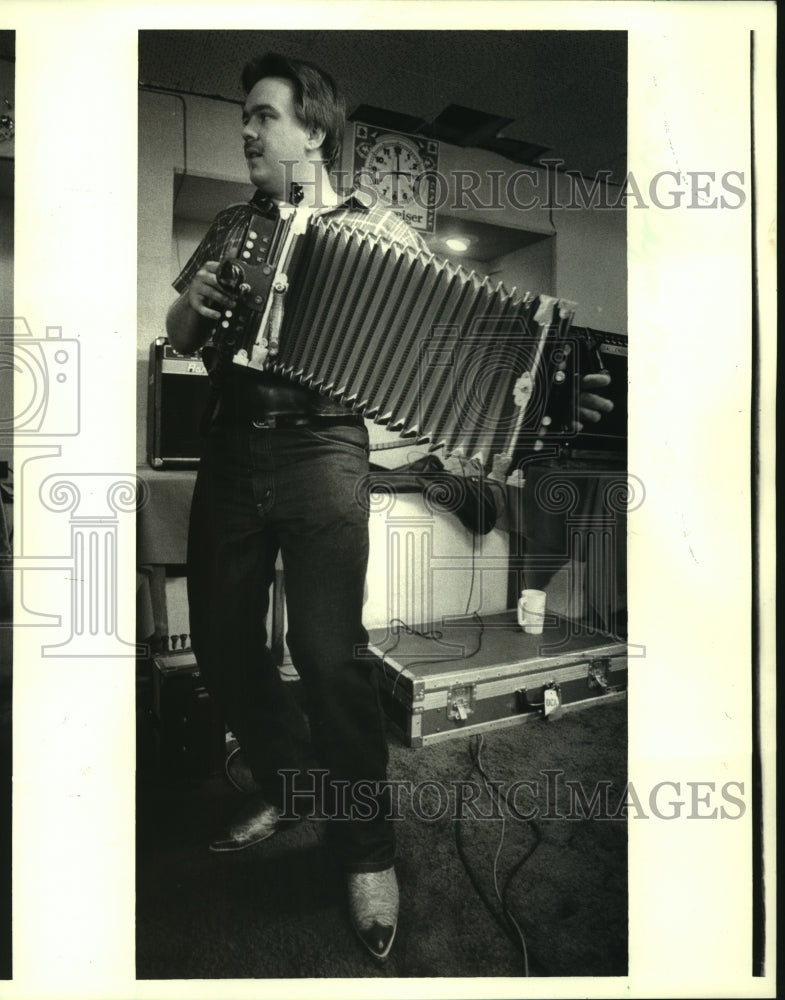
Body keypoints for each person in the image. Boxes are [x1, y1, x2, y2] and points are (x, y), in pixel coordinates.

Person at [166, 51, 613, 963]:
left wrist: (550, 398)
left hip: (326, 447)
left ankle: (366, 849)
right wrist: (193, 308)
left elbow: (458, 339)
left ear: (312, 128)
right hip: (231, 440)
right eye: (244, 117)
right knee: (219, 640)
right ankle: (299, 787)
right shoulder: (229, 227)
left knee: (326, 654)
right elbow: (180, 333)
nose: (245, 130)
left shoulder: (386, 233)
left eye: (261, 115)